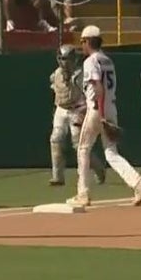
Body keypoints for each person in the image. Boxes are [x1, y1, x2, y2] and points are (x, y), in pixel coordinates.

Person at [70, 26, 141, 208]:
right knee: (111, 153)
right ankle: (138, 182)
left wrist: (100, 114)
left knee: (83, 149)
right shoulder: (108, 60)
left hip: (97, 110)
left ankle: (83, 194)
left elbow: (98, 87)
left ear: (88, 41)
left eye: (83, 41)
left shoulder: (91, 61)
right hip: (111, 108)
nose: (82, 45)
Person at [49, 44, 106, 186]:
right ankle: (58, 176)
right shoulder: (56, 74)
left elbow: (88, 94)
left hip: (77, 109)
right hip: (61, 109)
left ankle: (99, 169)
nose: (64, 62)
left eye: (67, 59)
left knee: (79, 145)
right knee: (56, 139)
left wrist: (83, 112)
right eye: (62, 59)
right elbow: (56, 91)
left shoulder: (80, 75)